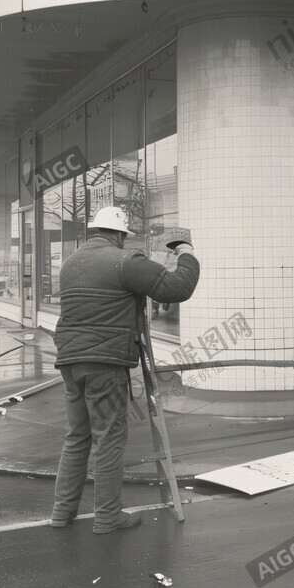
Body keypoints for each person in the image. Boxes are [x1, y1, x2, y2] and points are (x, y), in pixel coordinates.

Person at [51, 207, 200, 533]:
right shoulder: (124, 261)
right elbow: (178, 288)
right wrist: (185, 251)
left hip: (70, 361)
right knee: (109, 437)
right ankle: (107, 517)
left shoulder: (71, 263)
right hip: (104, 364)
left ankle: (62, 513)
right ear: (119, 235)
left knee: (77, 437)